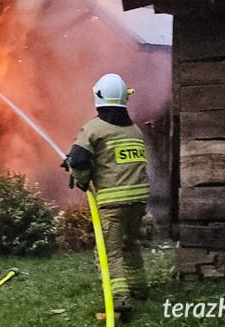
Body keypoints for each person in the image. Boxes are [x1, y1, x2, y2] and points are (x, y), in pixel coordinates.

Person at [66, 73, 149, 321]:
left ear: (98, 98)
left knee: (110, 252)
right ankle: (140, 290)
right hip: (139, 199)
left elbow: (80, 159)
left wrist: (80, 179)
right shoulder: (134, 131)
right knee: (130, 244)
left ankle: (120, 301)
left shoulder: (94, 128)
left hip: (113, 201)